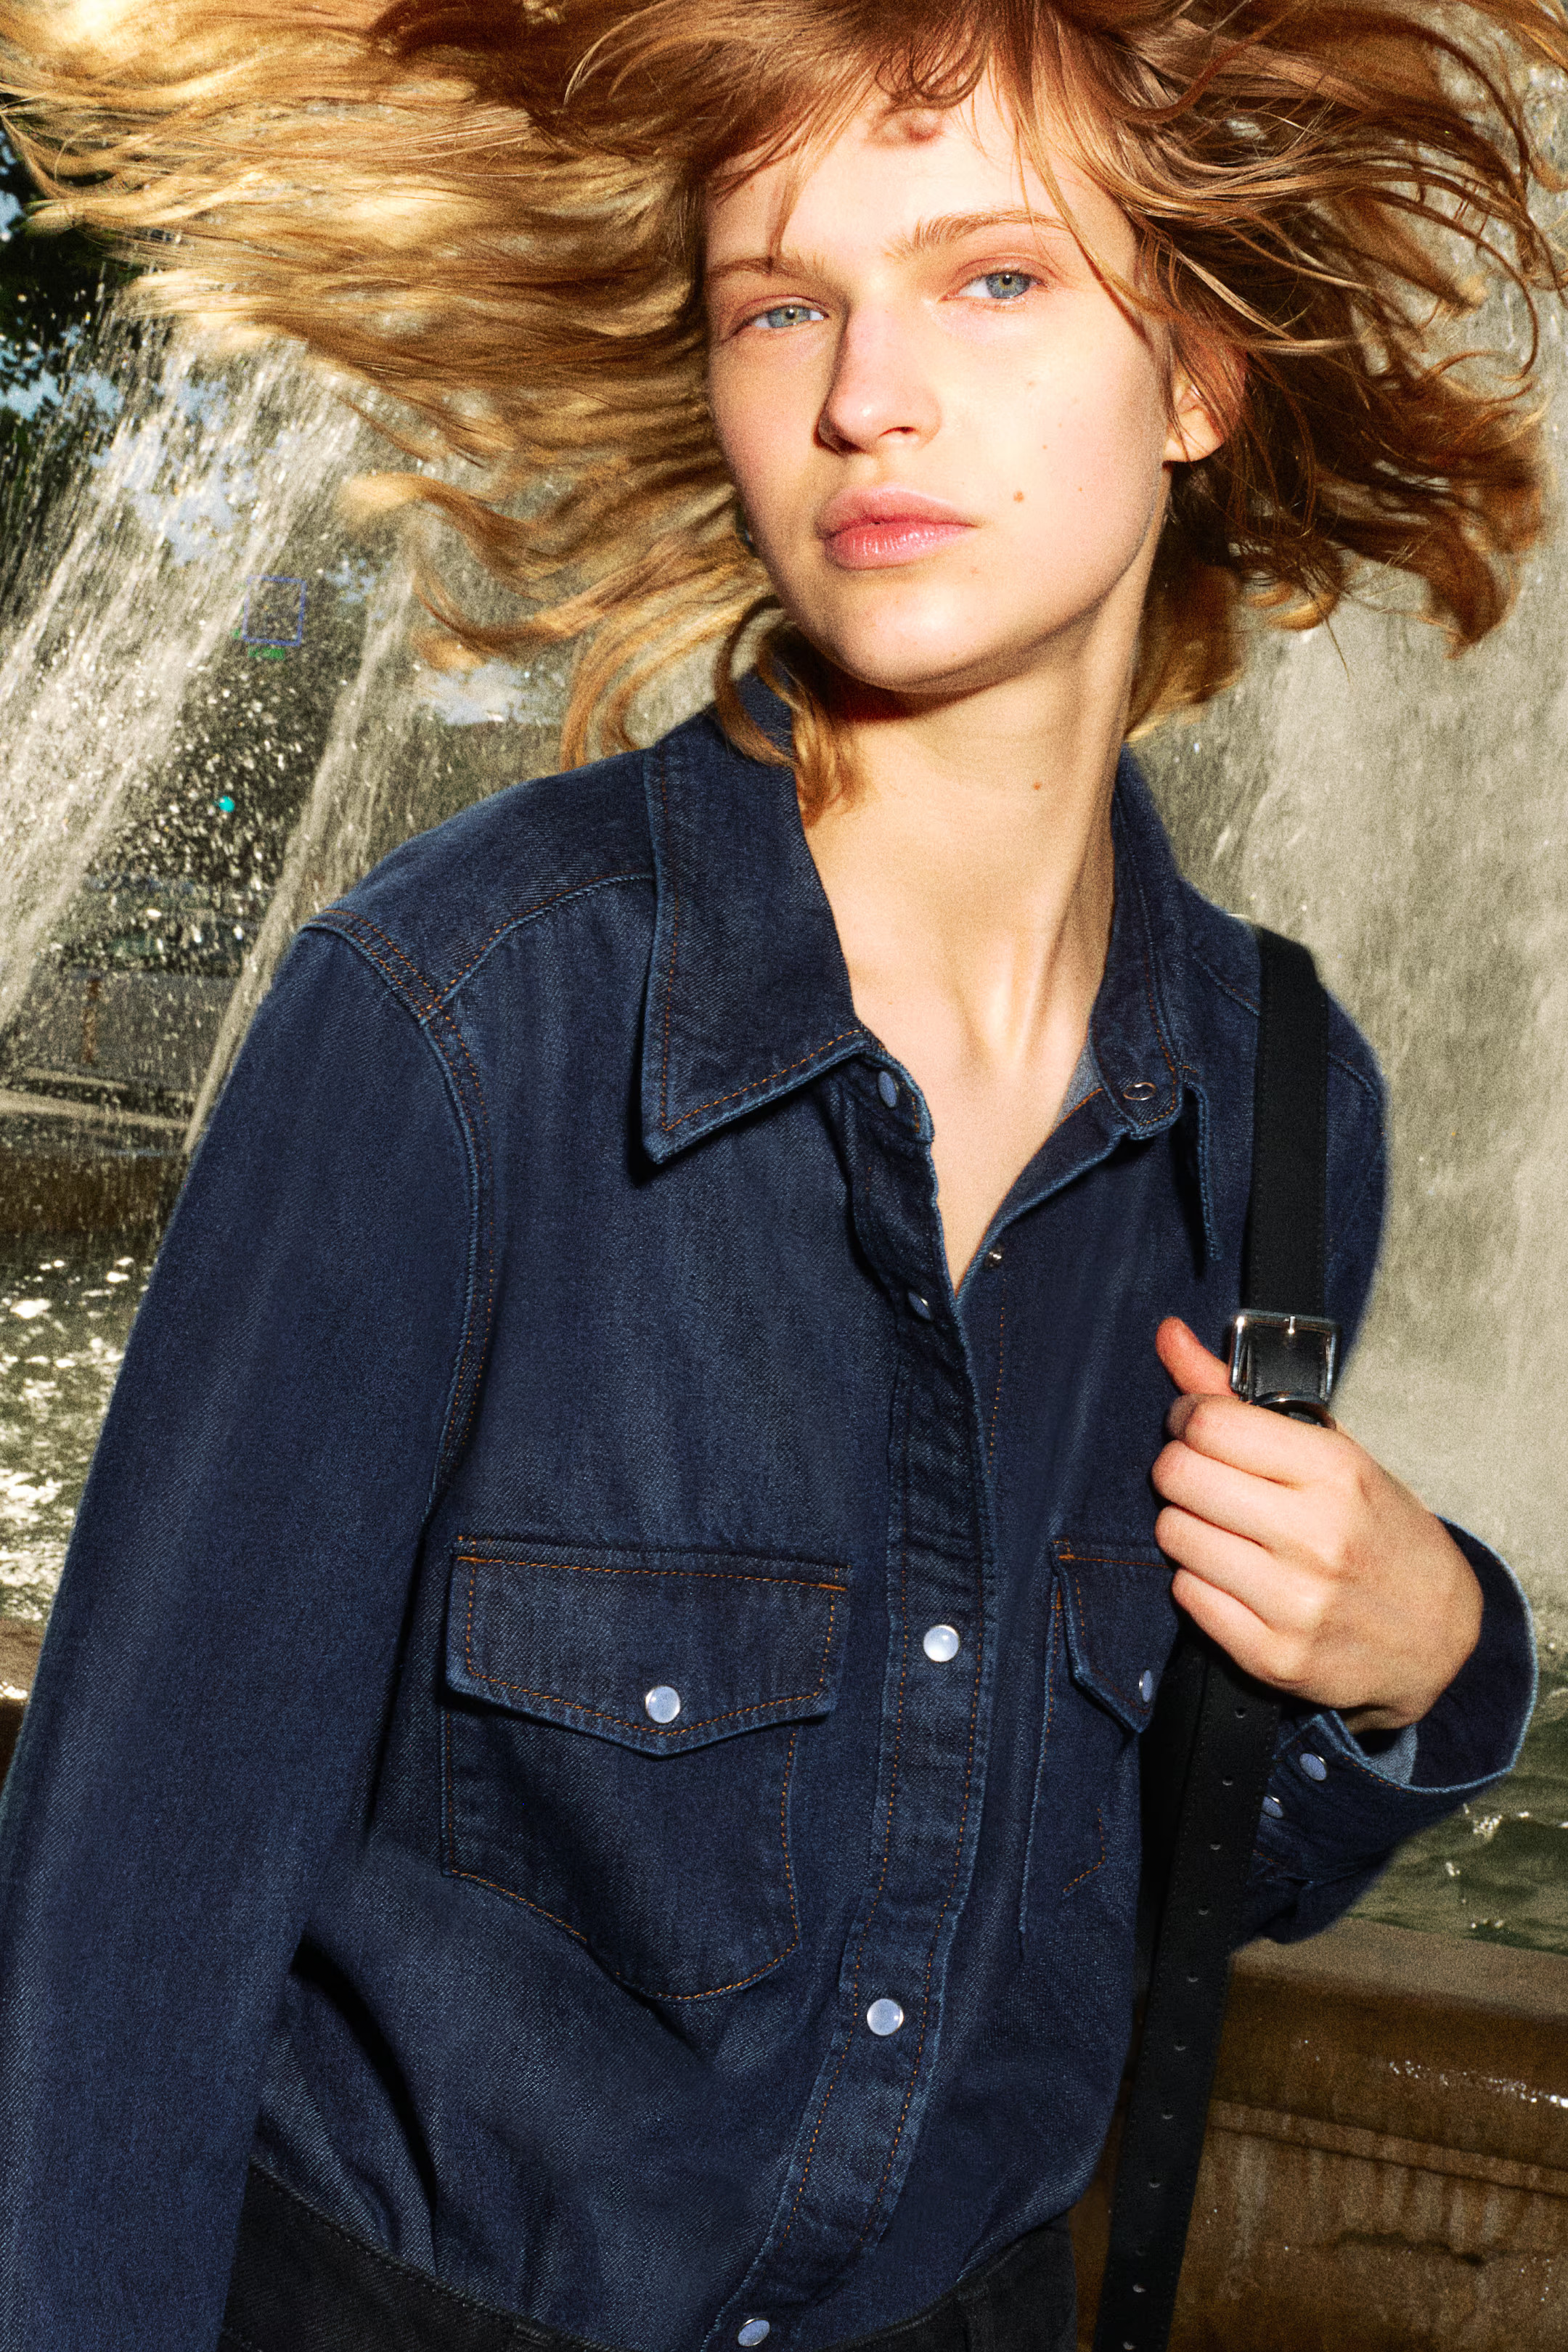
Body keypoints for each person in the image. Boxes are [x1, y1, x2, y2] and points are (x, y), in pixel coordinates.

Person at [0, 3, 1556, 2347]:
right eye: (781, 305)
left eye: (994, 278)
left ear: (1197, 374)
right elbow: (115, 1971)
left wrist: (1430, 1658)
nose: (867, 400)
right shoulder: (460, 1024)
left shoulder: (1282, 1101)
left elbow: (1115, 1890)